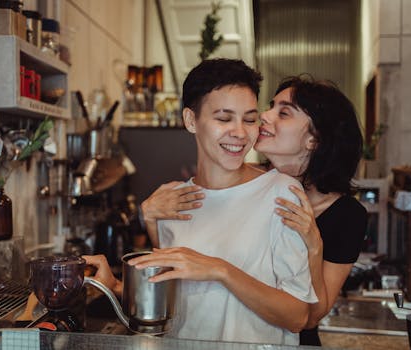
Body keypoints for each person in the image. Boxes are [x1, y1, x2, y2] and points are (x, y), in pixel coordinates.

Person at [85, 59, 317, 345]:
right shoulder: (171, 200)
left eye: (249, 119)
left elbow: (297, 316)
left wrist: (221, 270)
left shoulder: (281, 194)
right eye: (223, 118)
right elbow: (178, 304)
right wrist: (114, 287)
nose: (240, 133)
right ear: (191, 120)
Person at [142, 75, 367, 346]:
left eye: (282, 113)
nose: (264, 116)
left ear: (313, 140)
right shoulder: (242, 187)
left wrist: (314, 246)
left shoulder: (341, 214)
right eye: (268, 107)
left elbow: (307, 318)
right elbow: (180, 285)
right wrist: (152, 219)